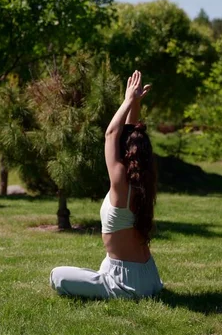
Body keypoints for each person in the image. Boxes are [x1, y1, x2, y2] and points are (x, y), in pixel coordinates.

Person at [50, 70, 163, 299]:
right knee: (100, 266)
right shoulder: (142, 183)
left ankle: (109, 285)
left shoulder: (120, 180)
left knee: (57, 275)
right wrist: (135, 104)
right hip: (150, 277)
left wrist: (128, 100)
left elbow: (112, 134)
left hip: (125, 282)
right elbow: (131, 134)